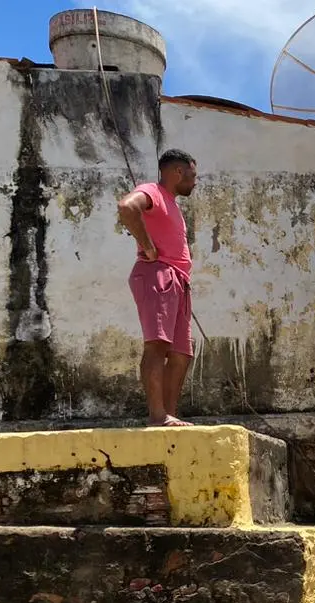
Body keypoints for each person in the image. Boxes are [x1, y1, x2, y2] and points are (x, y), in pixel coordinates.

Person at [117, 149, 198, 427]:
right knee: (158, 345)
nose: (194, 182)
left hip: (177, 280)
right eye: (192, 175)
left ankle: (169, 416)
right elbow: (127, 207)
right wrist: (148, 246)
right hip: (158, 274)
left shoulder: (171, 202)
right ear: (178, 171)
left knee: (181, 353)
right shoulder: (153, 191)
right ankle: (157, 415)